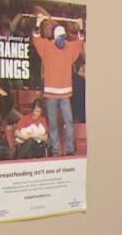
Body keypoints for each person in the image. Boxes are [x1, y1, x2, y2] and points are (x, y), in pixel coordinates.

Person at [32, 16, 84, 157]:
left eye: (64, 37)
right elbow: (36, 38)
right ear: (55, 38)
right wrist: (38, 22)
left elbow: (79, 41)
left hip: (65, 94)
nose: (63, 40)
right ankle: (55, 151)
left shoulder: (69, 47)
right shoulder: (47, 47)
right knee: (53, 125)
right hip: (51, 95)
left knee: (69, 122)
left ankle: (70, 149)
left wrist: (80, 26)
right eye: (60, 37)